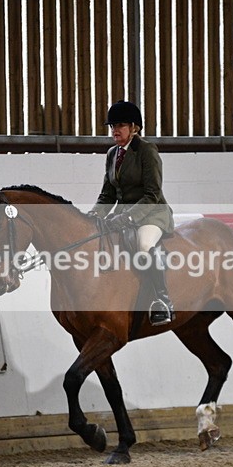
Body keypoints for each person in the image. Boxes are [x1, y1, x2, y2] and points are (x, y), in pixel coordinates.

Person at [88, 100, 176, 326]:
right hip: (122, 216)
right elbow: (107, 194)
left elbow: (152, 193)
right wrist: (94, 215)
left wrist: (128, 217)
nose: (115, 130)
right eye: (112, 126)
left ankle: (163, 300)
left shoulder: (146, 151)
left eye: (120, 125)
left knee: (145, 246)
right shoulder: (112, 154)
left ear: (134, 127)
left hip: (151, 213)